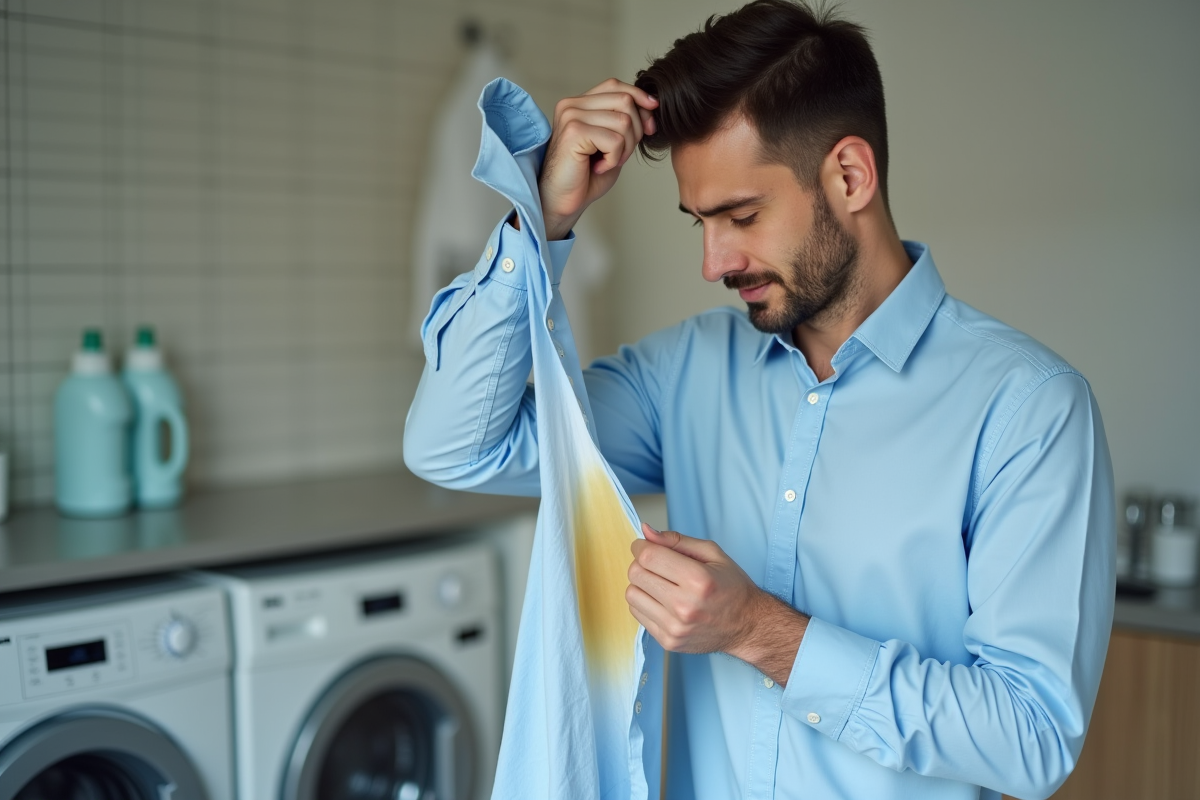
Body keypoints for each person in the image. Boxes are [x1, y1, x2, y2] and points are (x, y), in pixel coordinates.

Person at [404, 1, 1115, 798]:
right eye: (700, 221)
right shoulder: (687, 373)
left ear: (850, 175)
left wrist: (758, 631)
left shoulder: (1029, 410)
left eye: (741, 216)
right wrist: (545, 217)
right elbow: (457, 448)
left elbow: (1031, 737)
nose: (714, 260)